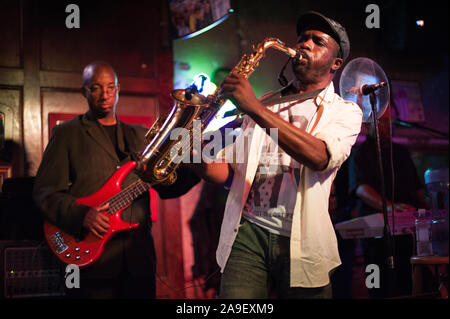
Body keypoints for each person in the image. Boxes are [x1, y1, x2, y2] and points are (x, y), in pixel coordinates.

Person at [190, 11, 363, 298]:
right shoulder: (268, 102)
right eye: (303, 38)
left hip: (303, 241)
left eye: (318, 41)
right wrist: (191, 150)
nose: (305, 44)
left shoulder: (345, 111)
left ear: (336, 63)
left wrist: (254, 108)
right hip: (247, 234)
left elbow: (321, 157)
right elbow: (230, 172)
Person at [33, 61, 199, 298]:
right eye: (96, 88)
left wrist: (197, 163)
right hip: (92, 264)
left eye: (110, 88)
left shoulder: (140, 135)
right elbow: (45, 192)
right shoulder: (67, 134)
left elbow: (168, 186)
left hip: (139, 262)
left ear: (118, 89)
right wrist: (81, 215)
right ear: (84, 91)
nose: (104, 95)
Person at [348, 111, 427, 298]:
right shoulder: (360, 152)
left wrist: (425, 214)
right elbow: (360, 188)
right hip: (375, 236)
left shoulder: (401, 152)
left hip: (406, 235)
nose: (388, 125)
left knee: (407, 283)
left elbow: (417, 190)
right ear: (368, 126)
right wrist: (391, 207)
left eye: (390, 121)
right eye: (382, 121)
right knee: (374, 282)